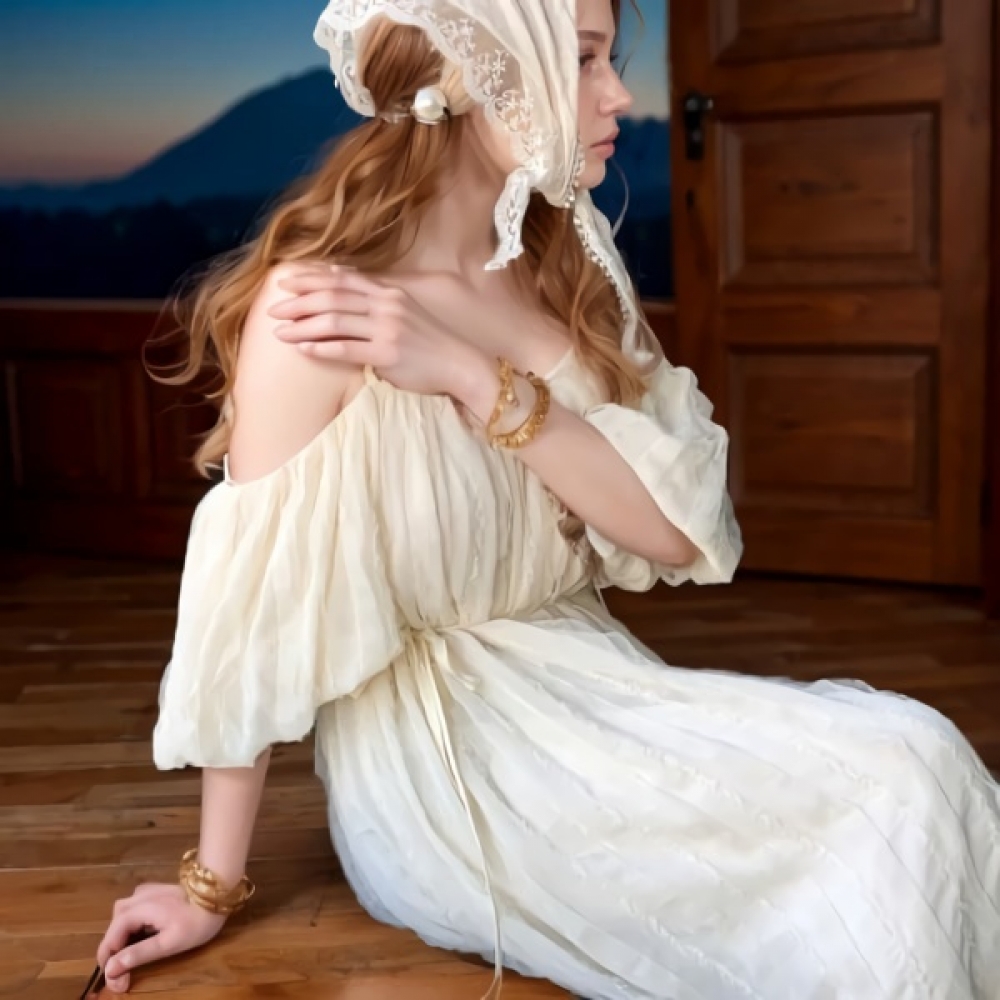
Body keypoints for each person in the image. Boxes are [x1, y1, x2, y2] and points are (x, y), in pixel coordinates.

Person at [96, 0, 1000, 997]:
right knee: (894, 790)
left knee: (917, 767)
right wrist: (210, 886)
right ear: (473, 70)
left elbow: (673, 530)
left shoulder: (562, 278)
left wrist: (467, 373)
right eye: (581, 60)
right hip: (446, 771)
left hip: (601, 687)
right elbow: (256, 614)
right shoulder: (321, 307)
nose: (618, 96)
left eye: (609, 60)